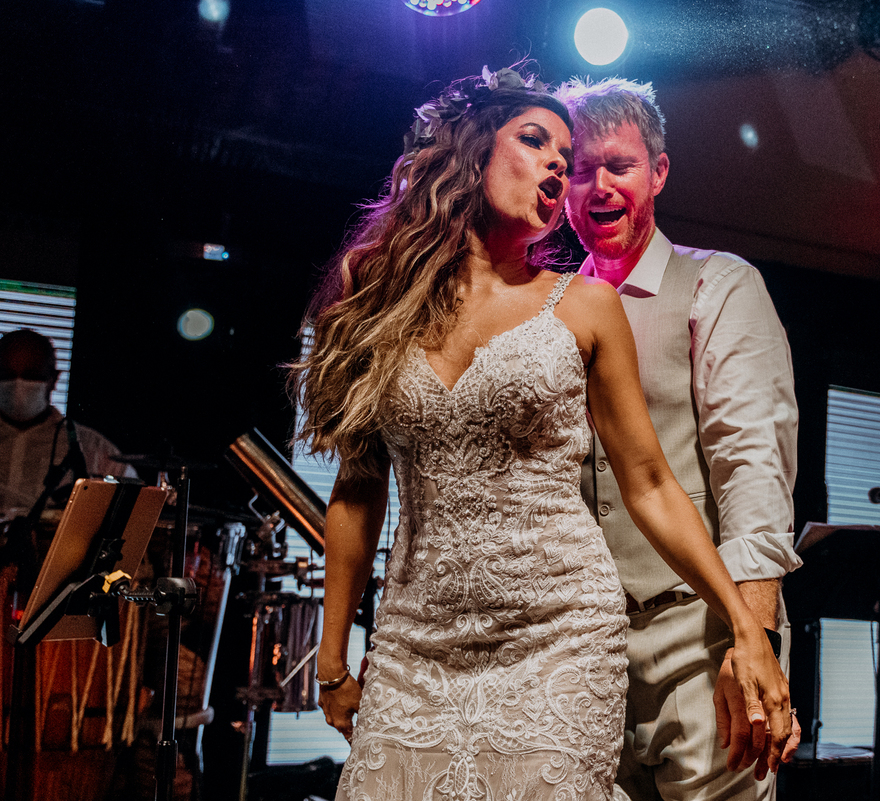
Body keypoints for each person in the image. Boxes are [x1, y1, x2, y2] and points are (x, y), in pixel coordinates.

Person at [294, 67, 792, 801]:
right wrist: (332, 655)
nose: (572, 173)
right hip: (418, 638)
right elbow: (357, 488)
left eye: (602, 162)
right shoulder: (380, 296)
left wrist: (754, 629)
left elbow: (689, 477)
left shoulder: (644, 297)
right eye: (551, 150)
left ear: (658, 171)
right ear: (471, 152)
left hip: (608, 631)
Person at [553, 77, 801, 801]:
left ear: (658, 172)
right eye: (578, 170)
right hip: (576, 649)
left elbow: (753, 470)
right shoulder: (547, 310)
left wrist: (752, 638)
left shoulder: (717, 286)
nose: (598, 186)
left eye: (618, 165)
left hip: (697, 636)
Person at [0, 327, 135, 523]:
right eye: (7, 374)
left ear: (54, 379)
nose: (18, 384)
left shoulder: (94, 450)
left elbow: (130, 510)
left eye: (32, 375)